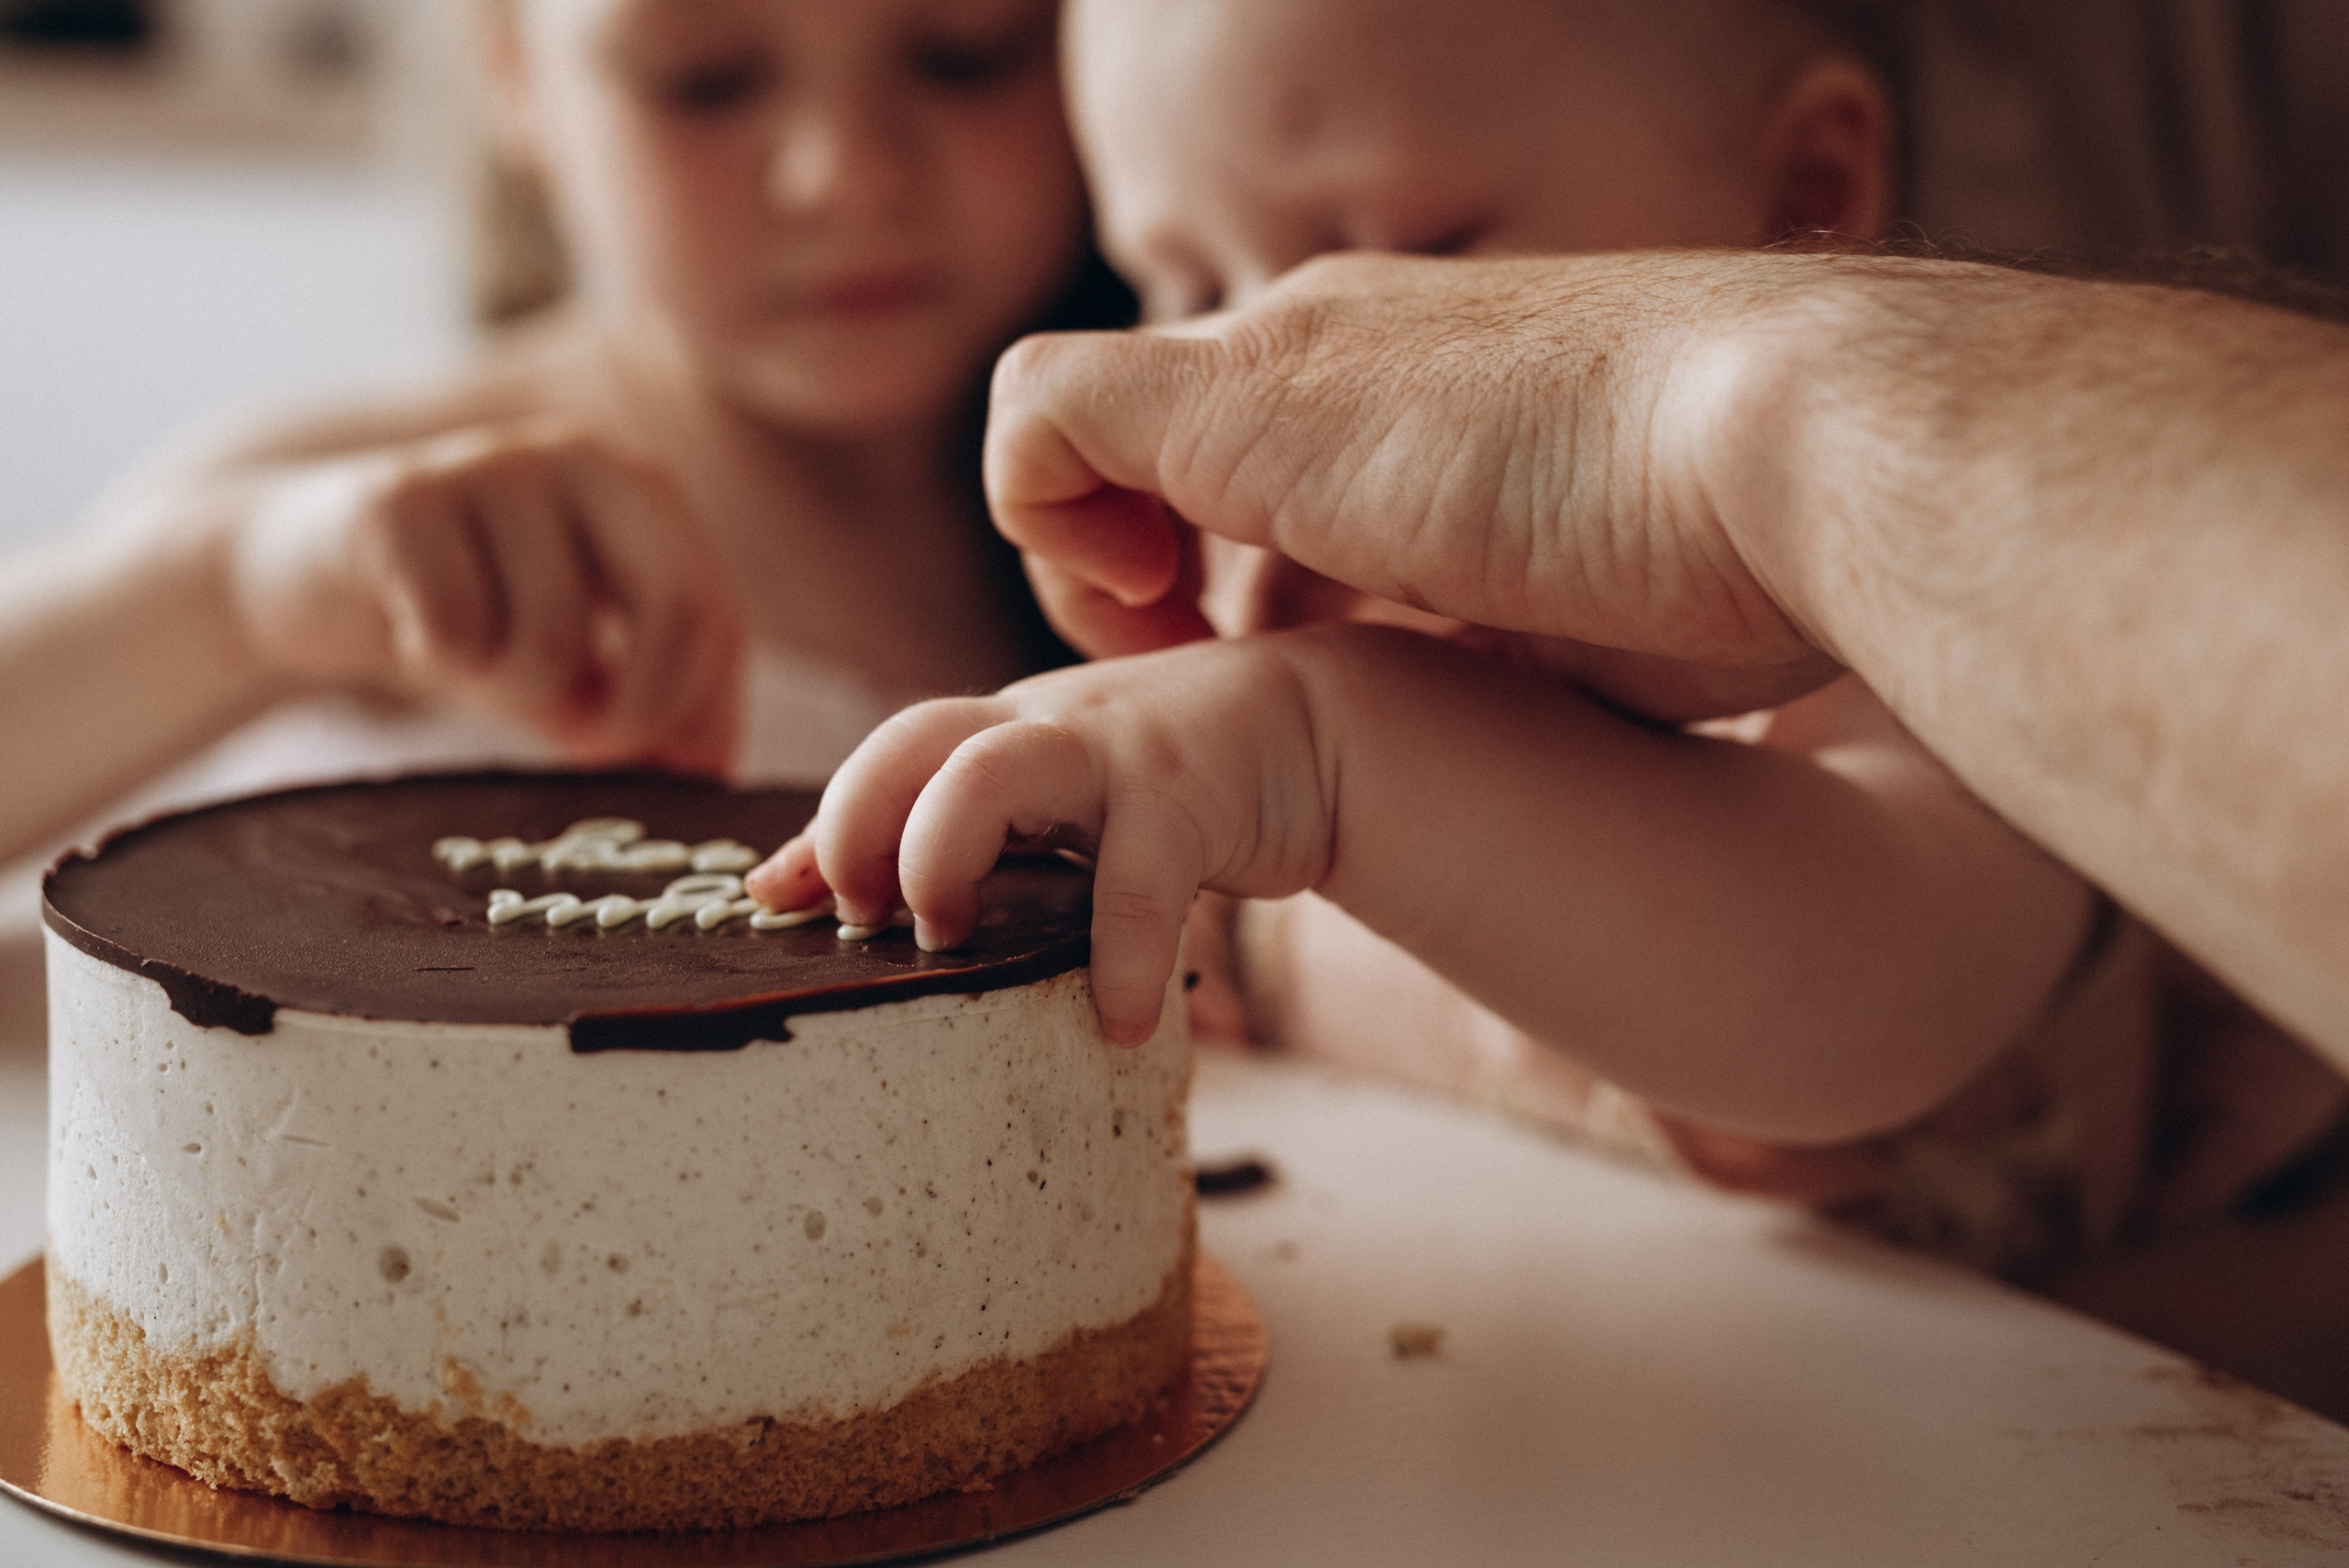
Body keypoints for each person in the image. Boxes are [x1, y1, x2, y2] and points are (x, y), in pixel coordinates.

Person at [749, 0, 2349, 1284]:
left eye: (1393, 249)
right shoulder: (1238, 713)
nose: (1255, 356)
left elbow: (1842, 1007)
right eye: (1178, 280)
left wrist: (1313, 750)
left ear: (1798, 211)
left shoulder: (1902, 636)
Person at [0, 0, 1112, 874]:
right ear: (517, 84)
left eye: (967, 53)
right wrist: (240, 597)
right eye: (704, 78)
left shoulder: (1176, 525)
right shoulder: (365, 508)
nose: (848, 172)